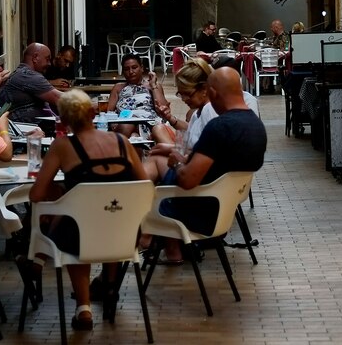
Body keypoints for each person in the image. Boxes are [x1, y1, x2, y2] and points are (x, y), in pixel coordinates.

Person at [23, 89, 150, 331]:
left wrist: (59, 194)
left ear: (64, 120)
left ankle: (84, 308)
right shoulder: (122, 143)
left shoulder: (62, 146)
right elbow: (143, 186)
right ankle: (110, 286)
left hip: (80, 235)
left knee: (75, 219)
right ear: (93, 114)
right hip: (123, 234)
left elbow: (36, 194)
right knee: (107, 215)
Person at [155, 68, 267, 261]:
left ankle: (158, 245)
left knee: (147, 191)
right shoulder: (256, 126)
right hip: (225, 207)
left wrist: (176, 164)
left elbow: (188, 181)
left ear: (212, 92)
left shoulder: (219, 128)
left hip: (200, 213)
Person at [0, 43, 62, 123]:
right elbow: (60, 99)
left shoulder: (22, 74)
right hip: (24, 130)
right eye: (47, 59)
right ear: (35, 58)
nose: (49, 64)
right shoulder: (27, 76)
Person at [107, 54, 170, 138]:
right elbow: (109, 111)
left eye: (134, 67)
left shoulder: (153, 86)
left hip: (147, 123)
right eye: (126, 69)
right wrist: (113, 123)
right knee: (131, 132)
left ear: (142, 68)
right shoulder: (118, 88)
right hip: (124, 122)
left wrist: (153, 86)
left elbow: (162, 109)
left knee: (128, 127)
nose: (131, 71)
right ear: (123, 71)